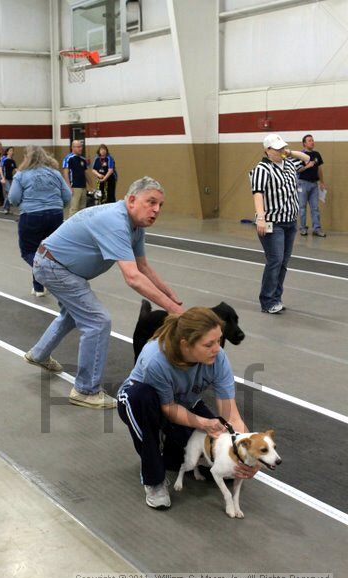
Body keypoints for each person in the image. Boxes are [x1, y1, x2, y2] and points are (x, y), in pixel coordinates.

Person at [24, 176, 183, 409]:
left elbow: (143, 267)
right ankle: (85, 390)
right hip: (53, 266)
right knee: (98, 321)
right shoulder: (115, 221)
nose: (156, 210)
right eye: (151, 202)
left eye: (160, 205)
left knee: (72, 315)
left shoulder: (135, 226)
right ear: (131, 200)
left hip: (60, 267)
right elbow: (132, 277)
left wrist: (171, 297)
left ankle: (38, 354)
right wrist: (174, 310)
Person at [117, 307, 258, 510]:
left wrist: (248, 454)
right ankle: (154, 480)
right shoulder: (156, 358)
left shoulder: (218, 358)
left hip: (184, 405)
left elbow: (230, 414)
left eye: (218, 341)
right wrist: (204, 423)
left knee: (207, 461)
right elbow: (168, 408)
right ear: (186, 345)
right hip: (144, 404)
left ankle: (170, 449)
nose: (217, 349)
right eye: (209, 344)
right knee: (142, 400)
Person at [250, 133, 310, 314]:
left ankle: (276, 297)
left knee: (283, 262)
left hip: (290, 222)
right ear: (267, 151)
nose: (281, 151)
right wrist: (260, 217)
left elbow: (307, 158)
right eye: (277, 149)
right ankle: (267, 301)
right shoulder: (262, 168)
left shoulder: (289, 164)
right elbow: (258, 193)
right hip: (272, 223)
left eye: (282, 147)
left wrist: (289, 152)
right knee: (274, 260)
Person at [8, 145, 71, 297]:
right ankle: (38, 287)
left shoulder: (21, 175)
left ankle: (49, 273)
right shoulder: (54, 173)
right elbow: (67, 196)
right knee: (47, 251)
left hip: (32, 215)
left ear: (26, 158)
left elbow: (13, 198)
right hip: (55, 214)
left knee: (29, 251)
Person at [298, 134, 327, 237]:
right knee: (302, 207)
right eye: (309, 140)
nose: (312, 142)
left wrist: (322, 182)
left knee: (315, 208)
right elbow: (297, 170)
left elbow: (319, 169)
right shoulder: (300, 155)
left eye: (312, 140)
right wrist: (307, 166)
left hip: (314, 185)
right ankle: (302, 228)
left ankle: (317, 229)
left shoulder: (316, 154)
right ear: (304, 143)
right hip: (302, 184)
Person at [62, 140, 91, 217]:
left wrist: (91, 186)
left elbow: (85, 173)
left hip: (83, 186)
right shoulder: (68, 158)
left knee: (82, 208)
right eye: (78, 147)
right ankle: (71, 227)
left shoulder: (83, 160)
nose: (80, 148)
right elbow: (65, 173)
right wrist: (68, 187)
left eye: (81, 147)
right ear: (72, 148)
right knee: (74, 208)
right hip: (74, 187)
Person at [0, 147, 17, 214]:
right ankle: (5, 207)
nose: (11, 152)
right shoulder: (4, 159)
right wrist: (2, 178)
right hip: (5, 178)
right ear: (7, 152)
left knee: (8, 194)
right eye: (10, 150)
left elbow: (16, 169)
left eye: (12, 151)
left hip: (11, 178)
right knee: (10, 192)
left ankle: (7, 209)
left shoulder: (13, 161)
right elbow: (1, 169)